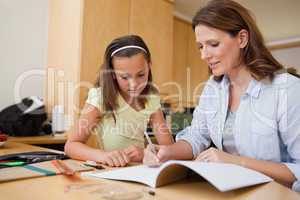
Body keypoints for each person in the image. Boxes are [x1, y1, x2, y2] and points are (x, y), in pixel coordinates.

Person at [143, 0, 300, 192]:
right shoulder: (213, 88)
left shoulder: (287, 90)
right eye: (200, 46)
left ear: (242, 39)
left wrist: (236, 162)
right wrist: (166, 151)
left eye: (213, 44)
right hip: (228, 193)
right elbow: (196, 136)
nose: (204, 55)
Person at [65, 35, 174, 167]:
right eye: (124, 77)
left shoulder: (151, 98)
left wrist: (146, 153)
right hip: (111, 174)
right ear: (112, 73)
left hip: (140, 172)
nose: (134, 84)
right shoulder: (100, 97)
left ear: (149, 66)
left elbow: (170, 149)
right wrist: (103, 156)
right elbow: (71, 146)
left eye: (141, 75)